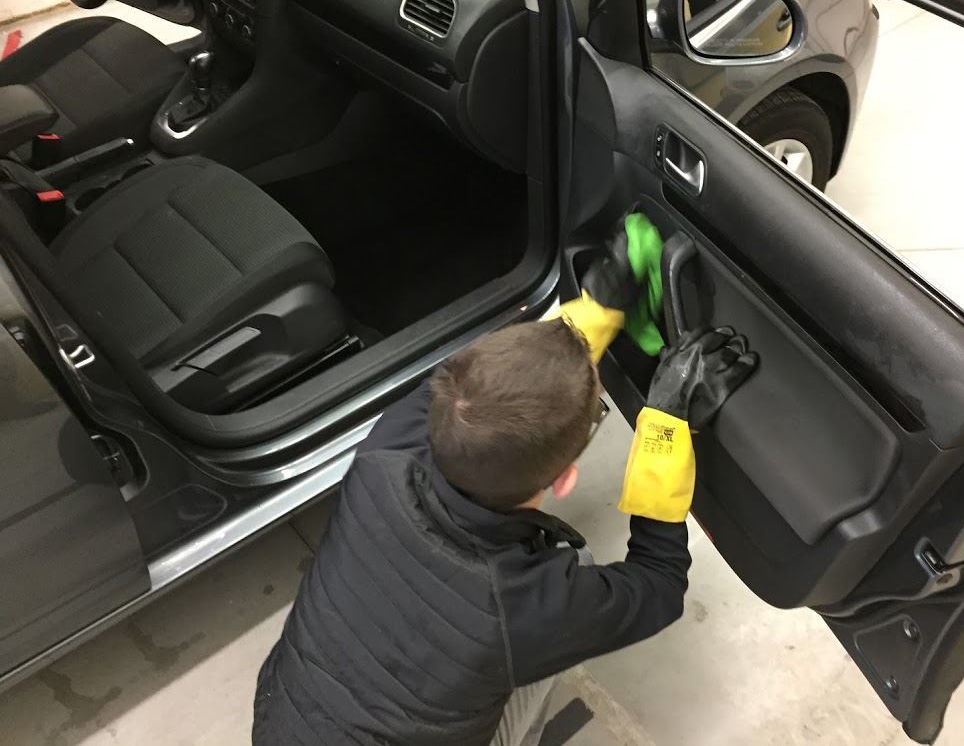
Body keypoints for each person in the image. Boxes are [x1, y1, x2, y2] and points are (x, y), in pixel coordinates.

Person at [252, 227, 757, 745]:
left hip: (281, 724)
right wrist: (665, 430)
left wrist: (591, 315)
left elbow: (486, 387)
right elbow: (659, 584)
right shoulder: (521, 607)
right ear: (564, 479)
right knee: (573, 573)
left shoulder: (386, 449)